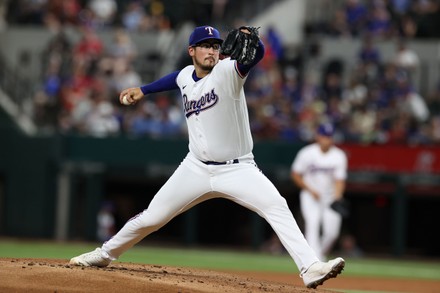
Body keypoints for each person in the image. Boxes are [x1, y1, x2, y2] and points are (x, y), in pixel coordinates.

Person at [69, 25, 345, 289]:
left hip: (238, 169)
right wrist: (143, 90)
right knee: (152, 218)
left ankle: (310, 267)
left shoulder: (227, 71)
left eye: (215, 46)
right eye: (204, 46)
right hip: (196, 168)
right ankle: (104, 254)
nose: (211, 51)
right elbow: (175, 78)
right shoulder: (185, 76)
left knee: (277, 205)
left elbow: (254, 58)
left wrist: (256, 43)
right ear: (192, 51)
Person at [291, 123, 348, 261]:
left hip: (330, 197)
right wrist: (310, 189)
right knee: (312, 224)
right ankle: (314, 262)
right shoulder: (307, 153)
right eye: (324, 136)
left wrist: (338, 196)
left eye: (329, 136)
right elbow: (295, 174)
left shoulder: (339, 155)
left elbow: (340, 180)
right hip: (310, 195)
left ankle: (318, 256)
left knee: (332, 233)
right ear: (318, 136)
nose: (326, 139)